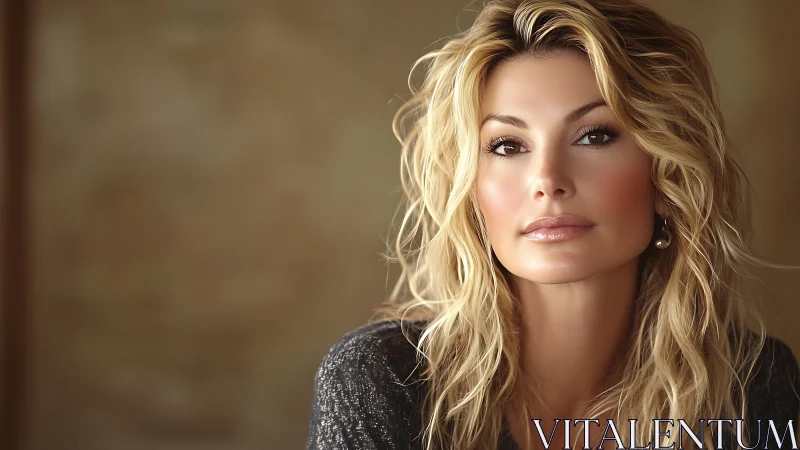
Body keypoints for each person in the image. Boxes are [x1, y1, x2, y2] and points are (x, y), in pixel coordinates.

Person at [306, 0, 800, 449]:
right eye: (507, 146)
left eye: (594, 136)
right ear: (471, 189)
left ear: (668, 175)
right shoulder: (383, 380)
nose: (547, 180)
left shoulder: (752, 386)